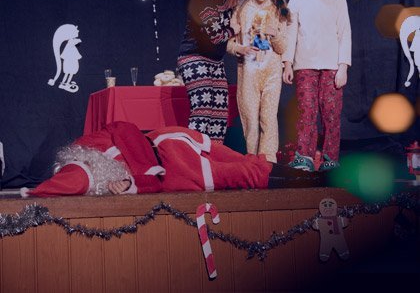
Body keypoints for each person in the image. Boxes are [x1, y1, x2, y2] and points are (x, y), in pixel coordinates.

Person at [21, 121, 324, 197]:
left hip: (169, 145)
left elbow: (125, 129)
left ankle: (307, 173)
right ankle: (310, 180)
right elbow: (152, 184)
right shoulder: (101, 185)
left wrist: (139, 177)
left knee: (245, 160)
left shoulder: (87, 146)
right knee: (244, 173)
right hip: (179, 171)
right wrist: (132, 185)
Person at [282, 0, 351, 170]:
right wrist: (287, 63)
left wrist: (343, 67)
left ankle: (330, 158)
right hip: (305, 64)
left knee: (331, 114)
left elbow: (345, 33)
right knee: (307, 111)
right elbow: (290, 32)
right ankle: (305, 157)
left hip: (332, 66)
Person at [227, 0, 290, 163]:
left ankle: (267, 160)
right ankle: (252, 159)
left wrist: (275, 34)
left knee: (268, 117)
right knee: (250, 118)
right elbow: (228, 43)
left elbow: (283, 47)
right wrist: (241, 48)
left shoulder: (279, 9)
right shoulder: (241, 9)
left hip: (271, 71)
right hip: (249, 72)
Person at [177, 0, 239, 144]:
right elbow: (216, 37)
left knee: (219, 112)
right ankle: (193, 154)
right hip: (194, 57)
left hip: (215, 61)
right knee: (203, 107)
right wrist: (233, 30)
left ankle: (213, 155)